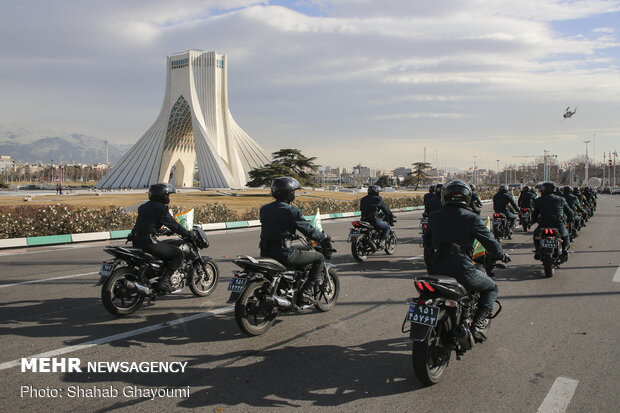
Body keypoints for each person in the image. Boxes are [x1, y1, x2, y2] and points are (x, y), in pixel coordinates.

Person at [424, 180, 509, 341]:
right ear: (467, 197)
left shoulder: (434, 217)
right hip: (461, 269)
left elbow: (427, 242)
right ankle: (477, 325)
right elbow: (490, 241)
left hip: (435, 268)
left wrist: (430, 264)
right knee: (492, 288)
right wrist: (501, 255)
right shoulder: (472, 218)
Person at [259, 177, 332, 305]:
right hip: (284, 254)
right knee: (319, 257)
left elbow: (276, 227)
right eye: (293, 191)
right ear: (288, 193)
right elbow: (308, 230)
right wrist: (323, 237)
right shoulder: (292, 211)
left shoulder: (264, 209)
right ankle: (306, 292)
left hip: (266, 252)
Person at [130, 183, 197, 293]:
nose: (168, 197)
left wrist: (162, 231)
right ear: (162, 195)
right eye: (168, 195)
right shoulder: (160, 208)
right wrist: (188, 234)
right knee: (178, 254)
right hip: (149, 243)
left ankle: (154, 277)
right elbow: (174, 225)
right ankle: (164, 282)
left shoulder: (143, 207)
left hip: (137, 241)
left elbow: (148, 223)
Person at [531, 182, 574, 262]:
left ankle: (537, 250)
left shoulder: (538, 200)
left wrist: (533, 220)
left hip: (544, 223)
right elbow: (569, 211)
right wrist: (570, 219)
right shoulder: (561, 199)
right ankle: (564, 249)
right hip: (558, 224)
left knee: (536, 235)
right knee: (565, 235)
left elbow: (535, 214)